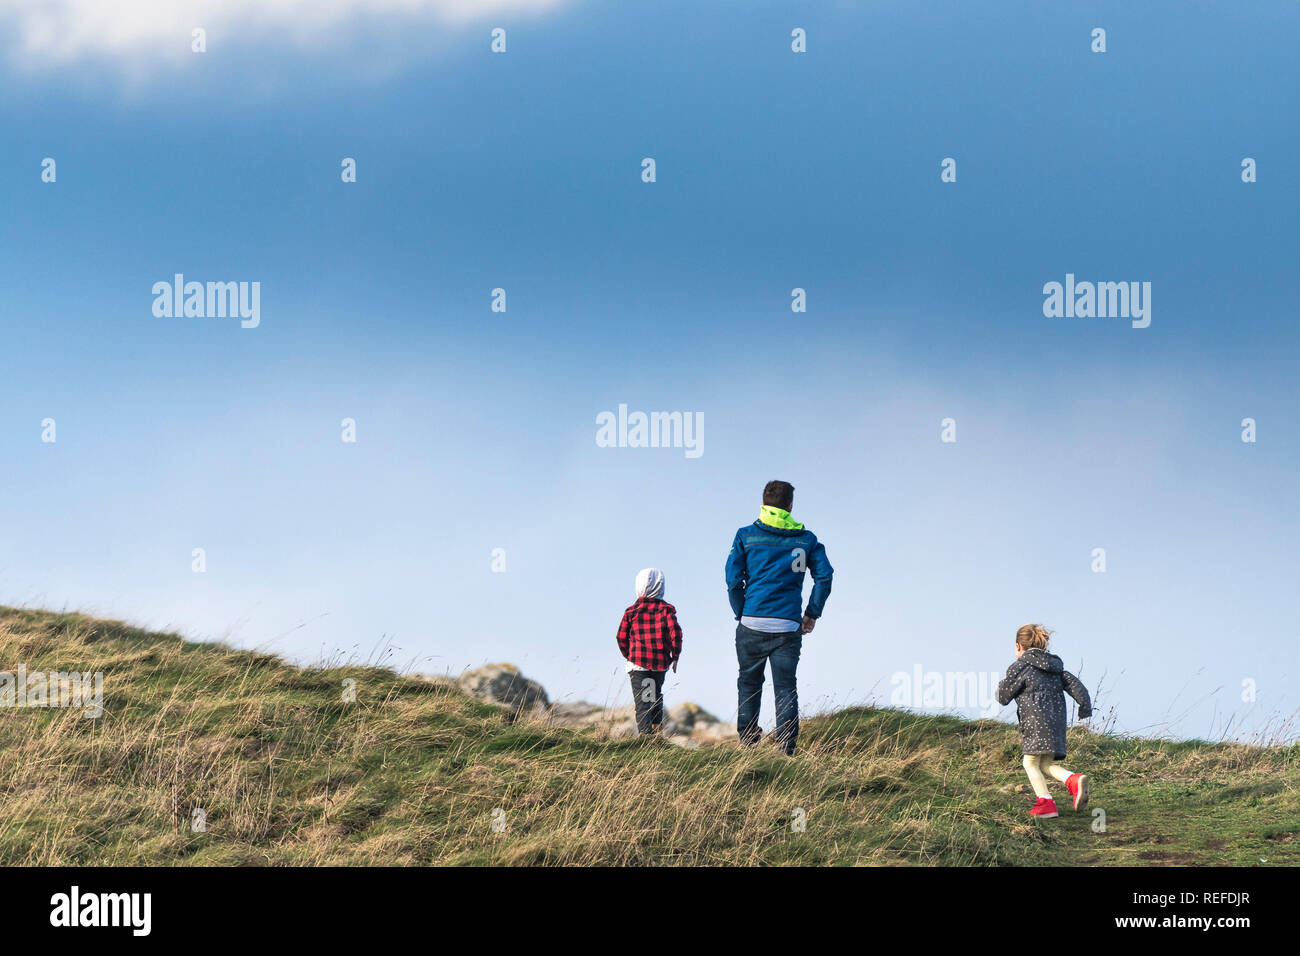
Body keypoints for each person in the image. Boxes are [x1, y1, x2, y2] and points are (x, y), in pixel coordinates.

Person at [724, 480, 832, 756]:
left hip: (751, 623)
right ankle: (786, 749)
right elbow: (825, 576)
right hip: (787, 626)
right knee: (785, 688)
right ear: (790, 505)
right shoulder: (806, 540)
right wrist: (811, 613)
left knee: (749, 683)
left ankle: (748, 744)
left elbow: (733, 580)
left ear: (763, 504)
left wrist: (741, 612)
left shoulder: (745, 536)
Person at [995, 623, 1093, 818]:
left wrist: (1001, 686)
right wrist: (1084, 707)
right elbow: (1077, 686)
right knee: (1045, 764)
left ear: (1018, 646)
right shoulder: (1056, 668)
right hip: (1056, 724)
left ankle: (1046, 803)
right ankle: (1073, 779)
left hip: (1035, 723)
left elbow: (1004, 697)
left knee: (1029, 763)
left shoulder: (1020, 667)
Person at [615, 568, 682, 736]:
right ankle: (656, 733)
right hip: (659, 665)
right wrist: (675, 656)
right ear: (661, 587)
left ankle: (646, 739)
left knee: (644, 701)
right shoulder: (666, 610)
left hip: (638, 665)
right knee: (655, 697)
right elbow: (676, 634)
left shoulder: (631, 611)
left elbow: (621, 637)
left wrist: (629, 655)